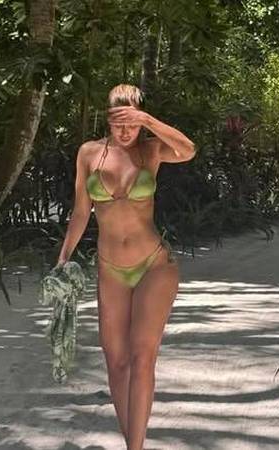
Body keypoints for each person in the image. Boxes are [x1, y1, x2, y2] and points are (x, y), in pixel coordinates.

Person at [56, 84, 196, 449]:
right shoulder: (89, 153)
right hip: (110, 269)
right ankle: (133, 443)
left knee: (141, 356)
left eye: (132, 123)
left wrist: (148, 121)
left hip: (154, 266)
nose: (125, 130)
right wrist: (63, 258)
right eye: (119, 122)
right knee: (116, 362)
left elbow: (188, 150)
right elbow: (81, 211)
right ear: (108, 118)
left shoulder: (151, 150)